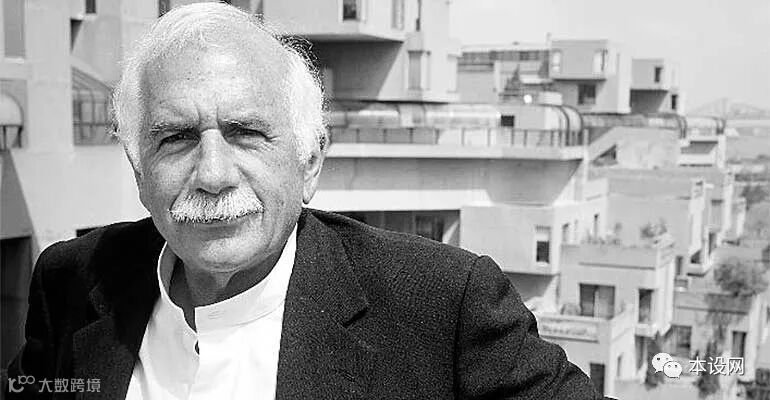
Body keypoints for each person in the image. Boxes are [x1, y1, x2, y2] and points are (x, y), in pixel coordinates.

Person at [7, 3, 603, 399]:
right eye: (177, 138)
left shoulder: (443, 307)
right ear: (139, 170)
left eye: (246, 133)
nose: (212, 174)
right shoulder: (71, 280)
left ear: (309, 162)